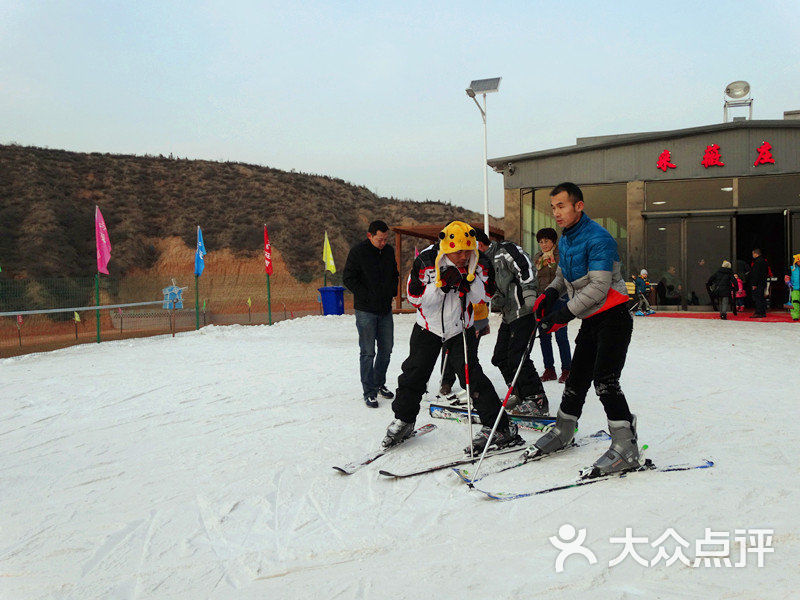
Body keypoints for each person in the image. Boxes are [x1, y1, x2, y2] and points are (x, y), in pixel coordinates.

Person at [382, 221, 523, 453]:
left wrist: (468, 281)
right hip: (428, 326)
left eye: (468, 250)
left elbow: (486, 295)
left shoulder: (480, 262)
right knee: (414, 373)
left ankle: (499, 427)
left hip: (460, 327)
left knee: (471, 376)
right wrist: (441, 285)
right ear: (446, 246)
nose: (464, 256)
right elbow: (414, 298)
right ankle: (404, 419)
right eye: (459, 251)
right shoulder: (426, 261)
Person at [531, 182, 640, 477]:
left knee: (605, 381)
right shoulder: (565, 240)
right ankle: (564, 431)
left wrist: (563, 314)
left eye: (562, 206)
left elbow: (599, 286)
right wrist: (551, 293)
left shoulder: (599, 238)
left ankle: (626, 446)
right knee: (576, 379)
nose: (556, 213)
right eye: (553, 207)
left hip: (614, 317)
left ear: (579, 205)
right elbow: (565, 275)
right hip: (592, 318)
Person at [484, 230, 549, 416]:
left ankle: (537, 399)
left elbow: (525, 266)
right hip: (508, 314)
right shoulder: (480, 262)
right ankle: (520, 393)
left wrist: (529, 293)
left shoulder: (505, 250)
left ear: (479, 244)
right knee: (500, 357)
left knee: (517, 356)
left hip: (524, 310)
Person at [343, 220, 399, 408]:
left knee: (387, 349)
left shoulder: (389, 251)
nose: (383, 243)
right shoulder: (358, 252)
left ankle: (378, 382)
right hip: (365, 310)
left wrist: (392, 292)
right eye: (379, 239)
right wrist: (366, 295)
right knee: (368, 352)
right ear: (370, 236)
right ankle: (369, 391)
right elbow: (348, 278)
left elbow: (395, 275)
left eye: (385, 239)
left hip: (385, 310)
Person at [439, 230, 492, 397]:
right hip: (456, 318)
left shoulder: (482, 264)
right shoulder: (457, 264)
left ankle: (472, 386)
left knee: (470, 355)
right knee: (448, 351)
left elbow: (484, 297)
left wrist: (483, 323)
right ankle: (446, 381)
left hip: (477, 317)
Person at [533, 227, 572, 383]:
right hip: (543, 300)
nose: (543, 245)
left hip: (559, 299)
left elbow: (564, 277)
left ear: (553, 241)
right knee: (544, 336)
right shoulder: (537, 257)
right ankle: (549, 369)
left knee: (561, 335)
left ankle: (567, 369)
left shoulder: (561, 255)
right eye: (541, 242)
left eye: (546, 241)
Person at [748, 248, 769, 318]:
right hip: (763, 282)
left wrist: (754, 284)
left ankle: (758, 312)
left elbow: (755, 274)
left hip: (758, 283)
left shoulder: (757, 262)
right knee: (762, 298)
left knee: (758, 298)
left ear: (755, 253)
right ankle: (763, 312)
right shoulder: (764, 261)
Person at [789, 253, 800, 322]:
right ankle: (795, 316)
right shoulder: (792, 268)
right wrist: (788, 282)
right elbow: (787, 276)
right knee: (795, 302)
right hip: (795, 288)